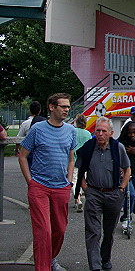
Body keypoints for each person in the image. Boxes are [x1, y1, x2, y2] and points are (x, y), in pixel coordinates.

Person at [18, 93, 77, 271]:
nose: (67, 110)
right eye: (63, 106)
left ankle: (50, 258)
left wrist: (68, 181)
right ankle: (43, 267)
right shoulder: (38, 129)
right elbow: (22, 156)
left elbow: (71, 159)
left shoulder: (70, 130)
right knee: (43, 231)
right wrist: (31, 182)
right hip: (39, 187)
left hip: (61, 188)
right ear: (52, 107)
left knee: (59, 229)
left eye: (68, 107)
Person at [76, 117, 130, 271]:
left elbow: (127, 169)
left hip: (113, 194)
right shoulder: (89, 147)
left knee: (109, 232)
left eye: (103, 131)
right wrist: (86, 189)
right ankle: (95, 266)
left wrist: (121, 188)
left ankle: (105, 258)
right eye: (97, 131)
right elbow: (80, 171)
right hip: (94, 194)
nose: (99, 134)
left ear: (110, 133)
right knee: (93, 231)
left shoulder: (117, 147)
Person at [73, 114, 92, 212]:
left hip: (74, 159)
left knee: (74, 179)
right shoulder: (88, 134)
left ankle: (78, 199)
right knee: (83, 179)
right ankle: (84, 198)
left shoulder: (73, 132)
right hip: (85, 160)